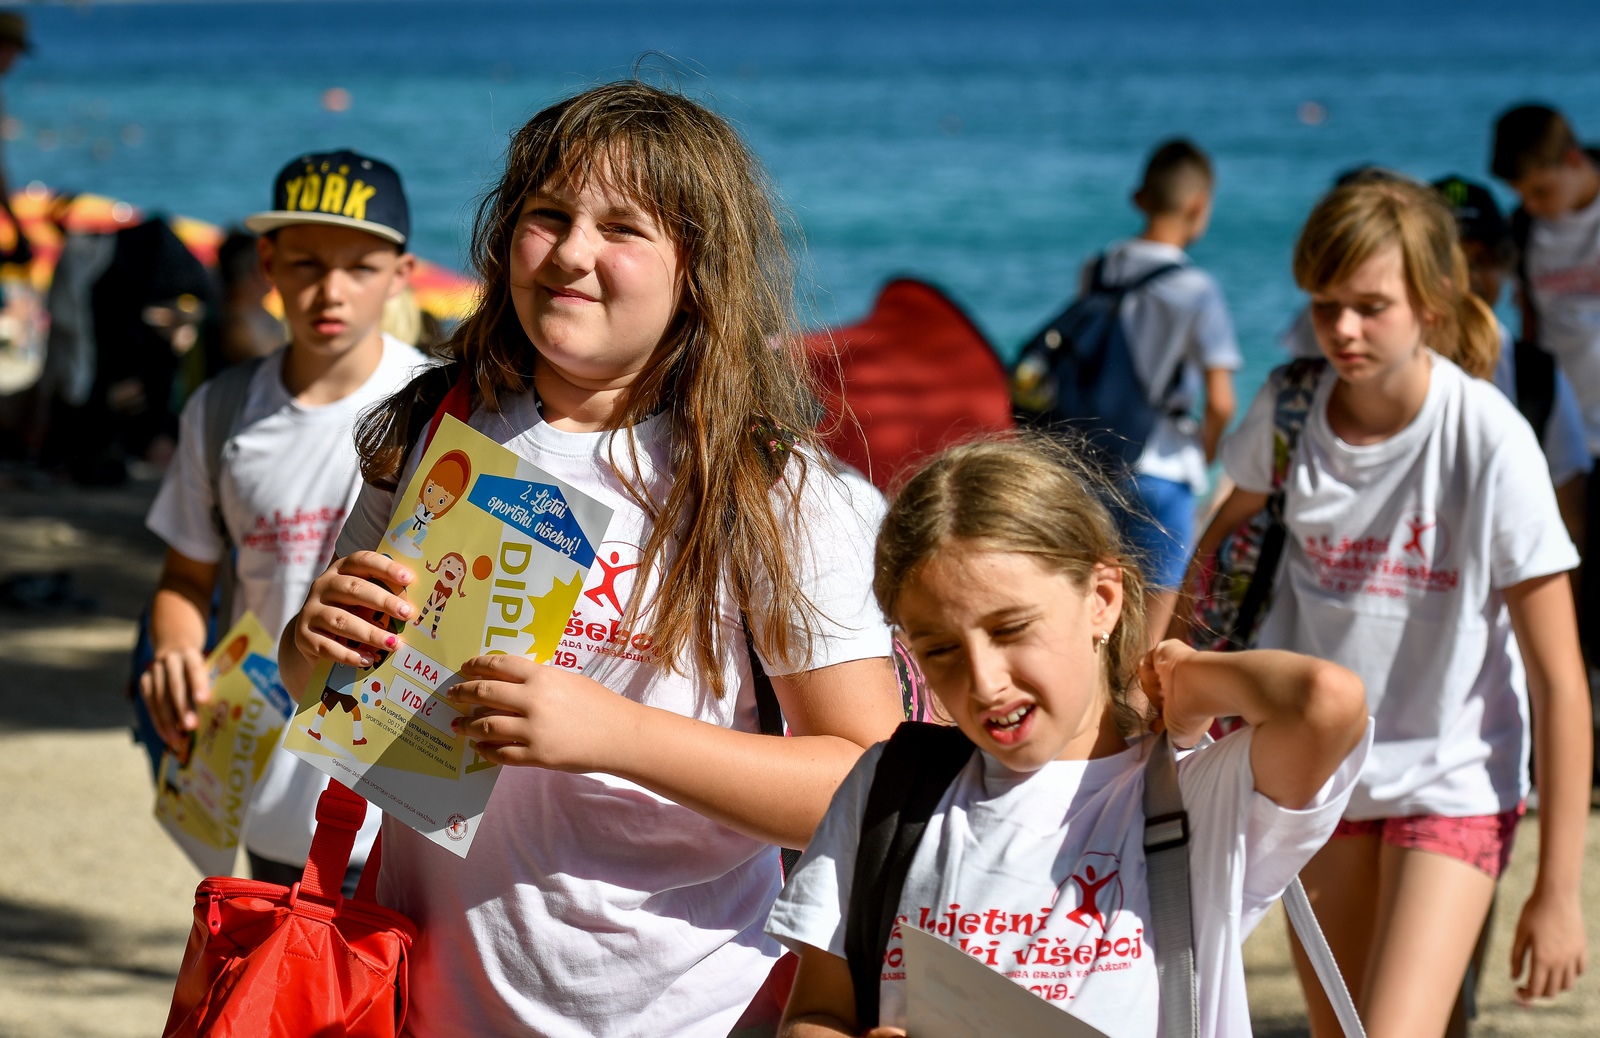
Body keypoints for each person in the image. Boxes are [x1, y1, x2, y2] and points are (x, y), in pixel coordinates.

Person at [278, 82, 906, 1036]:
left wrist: (614, 734)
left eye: (623, 228)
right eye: (548, 216)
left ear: (698, 269)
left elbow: (867, 782)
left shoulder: (774, 489)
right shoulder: (434, 426)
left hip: (688, 1012)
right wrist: (314, 640)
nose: (572, 253)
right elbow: (321, 689)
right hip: (420, 998)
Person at [767, 436, 1370, 1036]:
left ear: (1102, 600)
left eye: (1011, 629)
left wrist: (1189, 678)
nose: (984, 681)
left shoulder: (1185, 799)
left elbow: (1325, 702)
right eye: (942, 649)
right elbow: (817, 1013)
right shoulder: (892, 792)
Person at [1192, 177, 1590, 1036]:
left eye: (1371, 307)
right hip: (1321, 779)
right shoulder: (1290, 408)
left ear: (1435, 302)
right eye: (1326, 304)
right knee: (1350, 1029)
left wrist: (1559, 891)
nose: (1342, 330)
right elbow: (1205, 573)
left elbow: (1561, 680)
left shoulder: (1486, 436)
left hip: (1456, 778)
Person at [140, 149, 426, 892]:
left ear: (402, 273)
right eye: (304, 263)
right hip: (267, 798)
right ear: (267, 261)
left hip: (397, 809)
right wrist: (175, 651)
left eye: (360, 267)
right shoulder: (222, 411)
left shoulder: (443, 410)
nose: (330, 290)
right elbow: (186, 575)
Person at [1099, 139, 1241, 641]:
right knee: (1152, 643)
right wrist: (1205, 456)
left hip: (1094, 461)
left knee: (1099, 625)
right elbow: (1221, 401)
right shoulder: (1196, 289)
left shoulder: (1102, 268)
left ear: (1140, 198)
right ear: (1198, 206)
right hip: (1162, 471)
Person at [1491, 104, 1600, 668]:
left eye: (1540, 189)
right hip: (1565, 421)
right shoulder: (1528, 228)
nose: (1530, 204)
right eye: (1522, 194)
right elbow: (1530, 325)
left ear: (1574, 160)